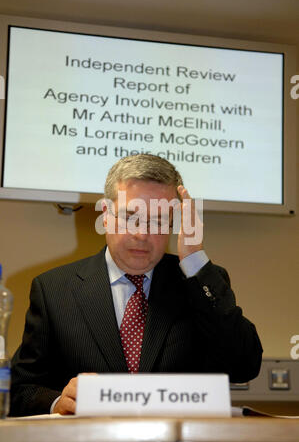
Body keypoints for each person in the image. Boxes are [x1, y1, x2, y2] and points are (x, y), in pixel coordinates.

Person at [10, 154, 263, 416]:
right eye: (131, 216)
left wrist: (194, 261)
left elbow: (244, 365)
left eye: (158, 220)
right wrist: (57, 403)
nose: (142, 234)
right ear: (106, 215)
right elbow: (20, 390)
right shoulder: (54, 289)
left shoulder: (198, 282)